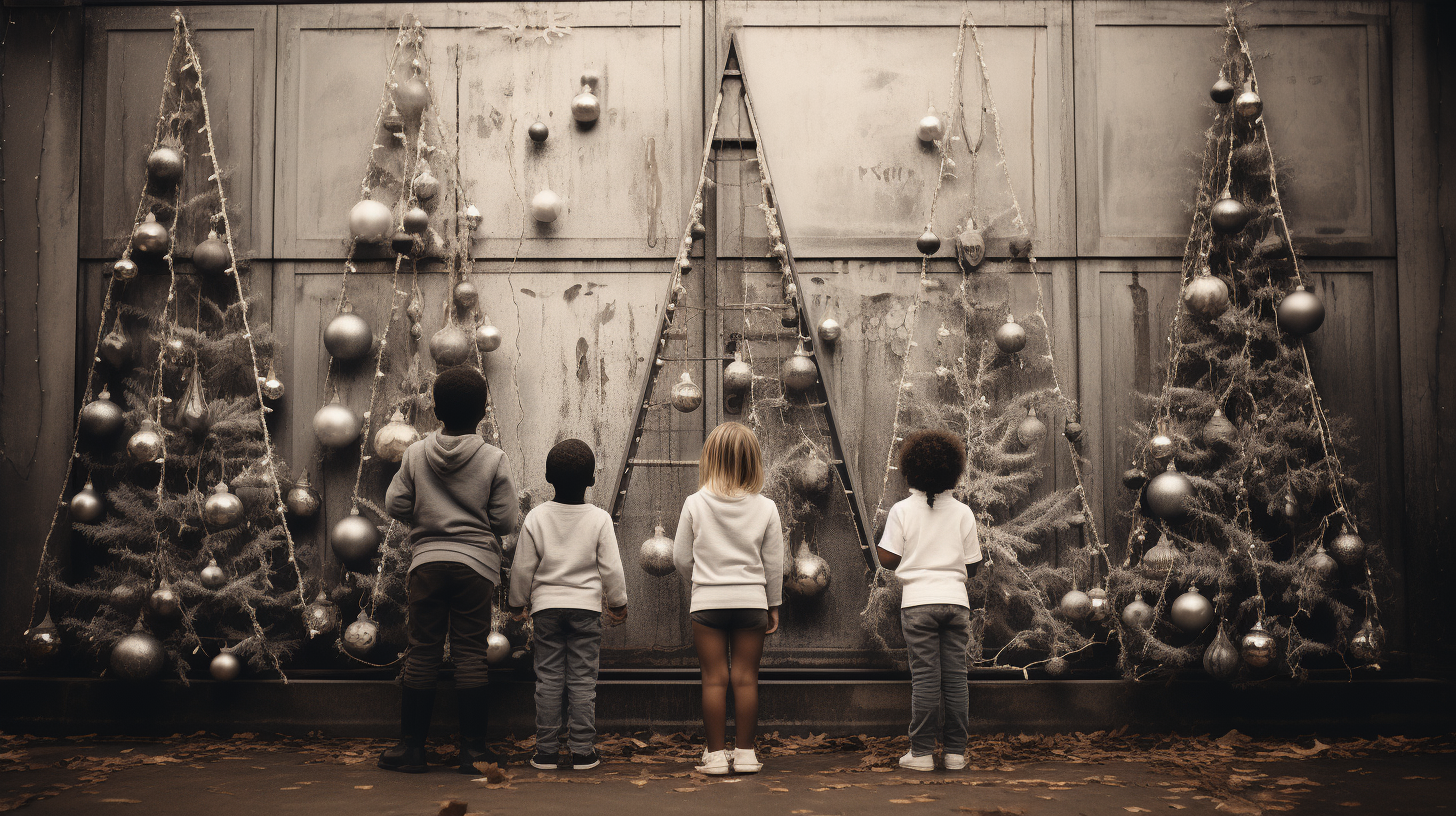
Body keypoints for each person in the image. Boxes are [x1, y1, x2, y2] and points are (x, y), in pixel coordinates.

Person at [379, 366, 519, 774]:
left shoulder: (416, 452)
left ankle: (411, 749)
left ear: (435, 408)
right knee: (470, 654)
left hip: (427, 564)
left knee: (422, 649)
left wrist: (429, 519)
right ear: (484, 410)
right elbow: (506, 520)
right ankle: (473, 751)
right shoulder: (493, 458)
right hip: (476, 565)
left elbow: (395, 505)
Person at [507, 439, 628, 771]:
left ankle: (545, 751)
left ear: (548, 477)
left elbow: (522, 566)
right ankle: (582, 751)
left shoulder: (537, 517)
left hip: (546, 609)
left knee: (547, 678)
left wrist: (517, 602)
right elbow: (612, 567)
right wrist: (617, 603)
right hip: (586, 610)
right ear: (591, 481)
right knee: (582, 680)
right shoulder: (599, 519)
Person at [673, 422, 784, 775]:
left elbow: (680, 557)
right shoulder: (766, 507)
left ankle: (716, 756)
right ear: (753, 461)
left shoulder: (695, 502)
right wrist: (773, 604)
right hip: (751, 601)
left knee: (714, 679)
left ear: (710, 459)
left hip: (707, 603)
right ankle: (747, 753)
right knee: (746, 679)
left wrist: (702, 581)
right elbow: (774, 564)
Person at [875, 428, 982, 772]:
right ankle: (954, 753)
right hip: (956, 602)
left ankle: (920, 753)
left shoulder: (902, 510)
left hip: (918, 604)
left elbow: (888, 560)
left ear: (911, 470)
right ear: (954, 470)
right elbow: (973, 565)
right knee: (955, 679)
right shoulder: (963, 513)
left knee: (925, 679)